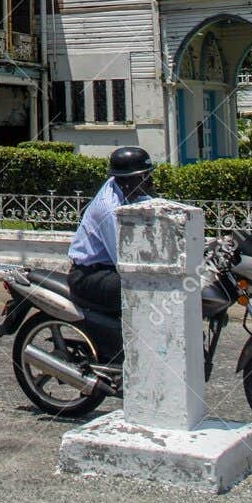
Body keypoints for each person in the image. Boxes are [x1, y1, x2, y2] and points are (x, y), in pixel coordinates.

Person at [67, 146, 154, 353]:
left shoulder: (130, 192)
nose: (150, 181)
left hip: (107, 270)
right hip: (89, 276)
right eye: (144, 176)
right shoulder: (109, 209)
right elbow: (123, 259)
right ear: (127, 180)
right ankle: (125, 353)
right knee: (142, 292)